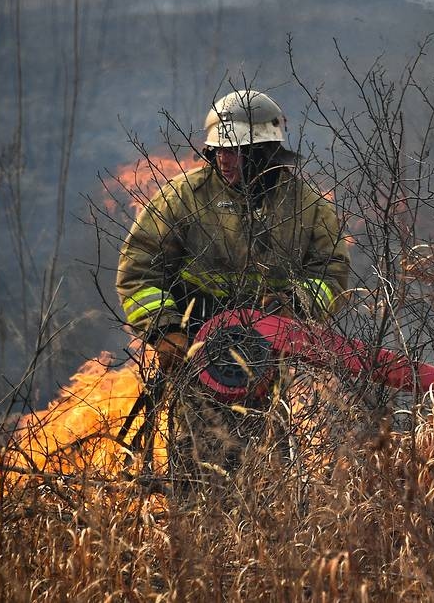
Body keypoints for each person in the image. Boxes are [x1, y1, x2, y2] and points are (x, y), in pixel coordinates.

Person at [116, 89, 350, 482]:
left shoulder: (307, 207)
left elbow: (332, 273)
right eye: (218, 150)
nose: (223, 159)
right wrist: (164, 329)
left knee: (265, 467)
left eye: (235, 151)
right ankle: (196, 529)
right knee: (198, 464)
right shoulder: (184, 198)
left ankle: (259, 534)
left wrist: (297, 305)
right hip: (197, 352)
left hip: (266, 356)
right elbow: (139, 267)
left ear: (264, 152)